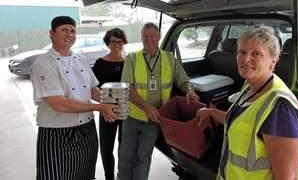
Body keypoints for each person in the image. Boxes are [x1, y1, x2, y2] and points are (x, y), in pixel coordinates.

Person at [197, 27, 298, 180]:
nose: (246, 59)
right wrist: (210, 112)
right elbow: (242, 122)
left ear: (273, 61)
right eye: (242, 52)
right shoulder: (250, 86)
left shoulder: (280, 109)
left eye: (256, 53)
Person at [30, 16, 119, 180]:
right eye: (64, 30)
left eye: (72, 31)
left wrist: (110, 102)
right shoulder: (43, 64)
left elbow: (93, 89)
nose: (69, 34)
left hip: (87, 130)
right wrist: (100, 108)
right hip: (56, 133)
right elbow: (59, 104)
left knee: (86, 174)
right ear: (51, 33)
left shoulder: (81, 59)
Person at [117, 22, 199, 180]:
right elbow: (126, 88)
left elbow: (184, 81)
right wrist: (146, 107)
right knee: (126, 158)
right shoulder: (132, 58)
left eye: (152, 35)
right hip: (132, 117)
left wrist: (190, 91)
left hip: (155, 119)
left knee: (143, 158)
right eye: (145, 36)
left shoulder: (169, 58)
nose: (149, 39)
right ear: (141, 38)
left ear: (159, 36)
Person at [92, 28, 127, 180]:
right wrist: (105, 104)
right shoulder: (100, 63)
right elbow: (93, 89)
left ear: (124, 42)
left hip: (126, 112)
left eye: (119, 41)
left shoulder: (129, 63)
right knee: (106, 149)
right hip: (107, 111)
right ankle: (109, 177)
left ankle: (122, 175)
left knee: (124, 148)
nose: (116, 45)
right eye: (113, 41)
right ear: (108, 43)